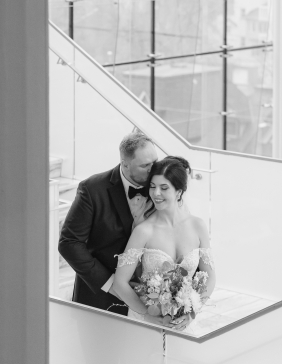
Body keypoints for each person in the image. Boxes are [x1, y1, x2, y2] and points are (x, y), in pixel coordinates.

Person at [57, 130, 161, 314]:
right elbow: (69, 243)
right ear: (125, 164)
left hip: (152, 298)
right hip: (101, 299)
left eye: (155, 162)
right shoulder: (92, 189)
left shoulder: (161, 187)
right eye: (145, 165)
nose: (153, 170)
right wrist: (111, 284)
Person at [109, 156, 215, 330]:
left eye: (164, 188)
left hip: (185, 322)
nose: (156, 193)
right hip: (148, 320)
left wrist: (192, 312)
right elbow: (120, 283)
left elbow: (210, 276)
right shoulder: (143, 231)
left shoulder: (198, 226)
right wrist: (146, 315)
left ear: (179, 192)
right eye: (152, 186)